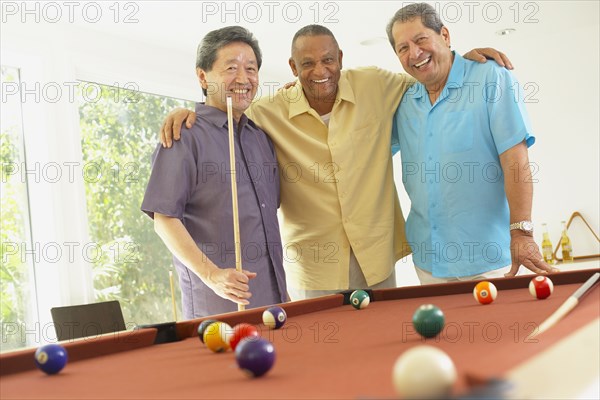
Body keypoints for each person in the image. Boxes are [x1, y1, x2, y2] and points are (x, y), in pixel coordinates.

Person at [160, 25, 511, 300]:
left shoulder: (376, 84)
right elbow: (229, 105)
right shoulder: (268, 111)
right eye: (308, 63)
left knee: (385, 353)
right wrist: (189, 111)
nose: (320, 71)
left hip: (377, 260)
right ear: (293, 67)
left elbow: (429, 79)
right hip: (313, 271)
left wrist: (459, 61)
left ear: (341, 58)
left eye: (328, 60)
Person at [386, 3, 557, 284]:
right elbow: (366, 149)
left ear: (445, 35)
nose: (414, 53)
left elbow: (516, 161)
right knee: (440, 331)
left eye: (420, 39)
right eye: (402, 48)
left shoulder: (491, 78)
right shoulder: (403, 102)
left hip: (489, 260)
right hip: (428, 262)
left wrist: (522, 233)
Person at [141, 26, 287, 319]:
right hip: (218, 310)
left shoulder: (261, 138)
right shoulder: (184, 135)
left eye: (251, 68)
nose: (244, 78)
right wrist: (212, 275)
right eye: (231, 68)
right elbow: (165, 219)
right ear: (202, 76)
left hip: (275, 306)